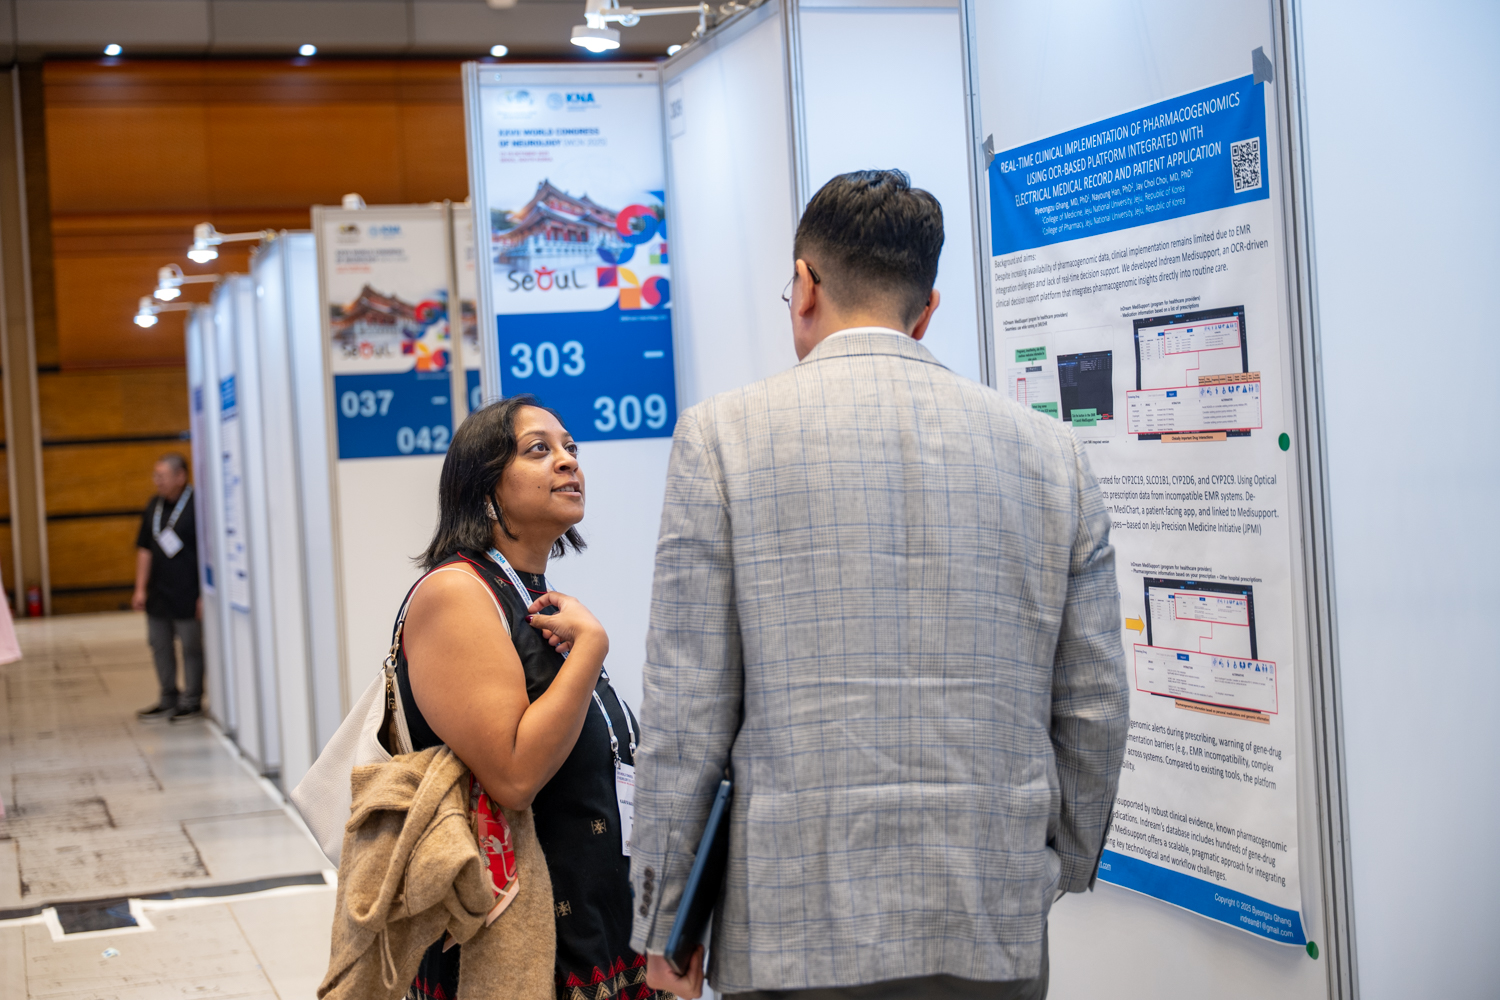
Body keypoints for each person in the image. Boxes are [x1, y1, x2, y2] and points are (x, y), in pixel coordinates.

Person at [630, 170, 1130, 999]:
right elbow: (1094, 703)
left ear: (804, 286)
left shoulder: (721, 438)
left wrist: (664, 917)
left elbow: (687, 710)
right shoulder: (1053, 456)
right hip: (991, 916)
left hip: (790, 926)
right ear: (926, 309)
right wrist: (1057, 866)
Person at [399, 395, 669, 1000]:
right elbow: (514, 776)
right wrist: (593, 646)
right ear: (483, 488)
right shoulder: (455, 593)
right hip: (518, 947)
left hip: (596, 923)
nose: (568, 461)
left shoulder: (530, 596)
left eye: (570, 448)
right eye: (538, 450)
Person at [134, 452, 204, 723]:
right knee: (159, 644)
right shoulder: (154, 505)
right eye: (156, 475)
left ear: (180, 476)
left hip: (188, 591)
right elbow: (144, 549)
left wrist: (204, 595)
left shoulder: (197, 505)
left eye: (162, 476)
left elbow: (207, 551)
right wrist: (140, 588)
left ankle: (192, 700)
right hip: (158, 593)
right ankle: (167, 698)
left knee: (191, 647)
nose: (157, 481)